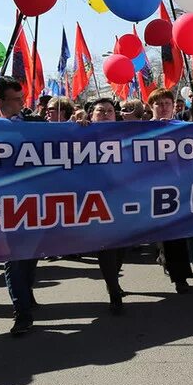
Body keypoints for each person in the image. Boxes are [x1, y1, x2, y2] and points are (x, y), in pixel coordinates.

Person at [0, 77, 42, 335]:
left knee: (30, 255)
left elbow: (68, 142)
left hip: (34, 202)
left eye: (23, 98)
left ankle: (26, 294)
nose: (23, 104)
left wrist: (81, 126)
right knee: (14, 258)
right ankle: (22, 311)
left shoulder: (35, 124)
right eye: (17, 100)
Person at [148, 88, 193, 291]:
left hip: (178, 186)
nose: (163, 107)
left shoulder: (183, 128)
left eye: (167, 103)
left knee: (177, 232)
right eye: (158, 104)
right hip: (151, 187)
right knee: (162, 231)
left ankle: (180, 277)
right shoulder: (140, 130)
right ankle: (164, 254)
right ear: (151, 107)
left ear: (173, 106)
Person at [86, 97, 128, 312]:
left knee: (121, 246)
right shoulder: (81, 133)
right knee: (107, 246)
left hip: (121, 197)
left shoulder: (125, 134)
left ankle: (113, 278)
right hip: (95, 200)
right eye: (100, 111)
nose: (105, 114)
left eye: (109, 111)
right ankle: (113, 288)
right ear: (91, 115)